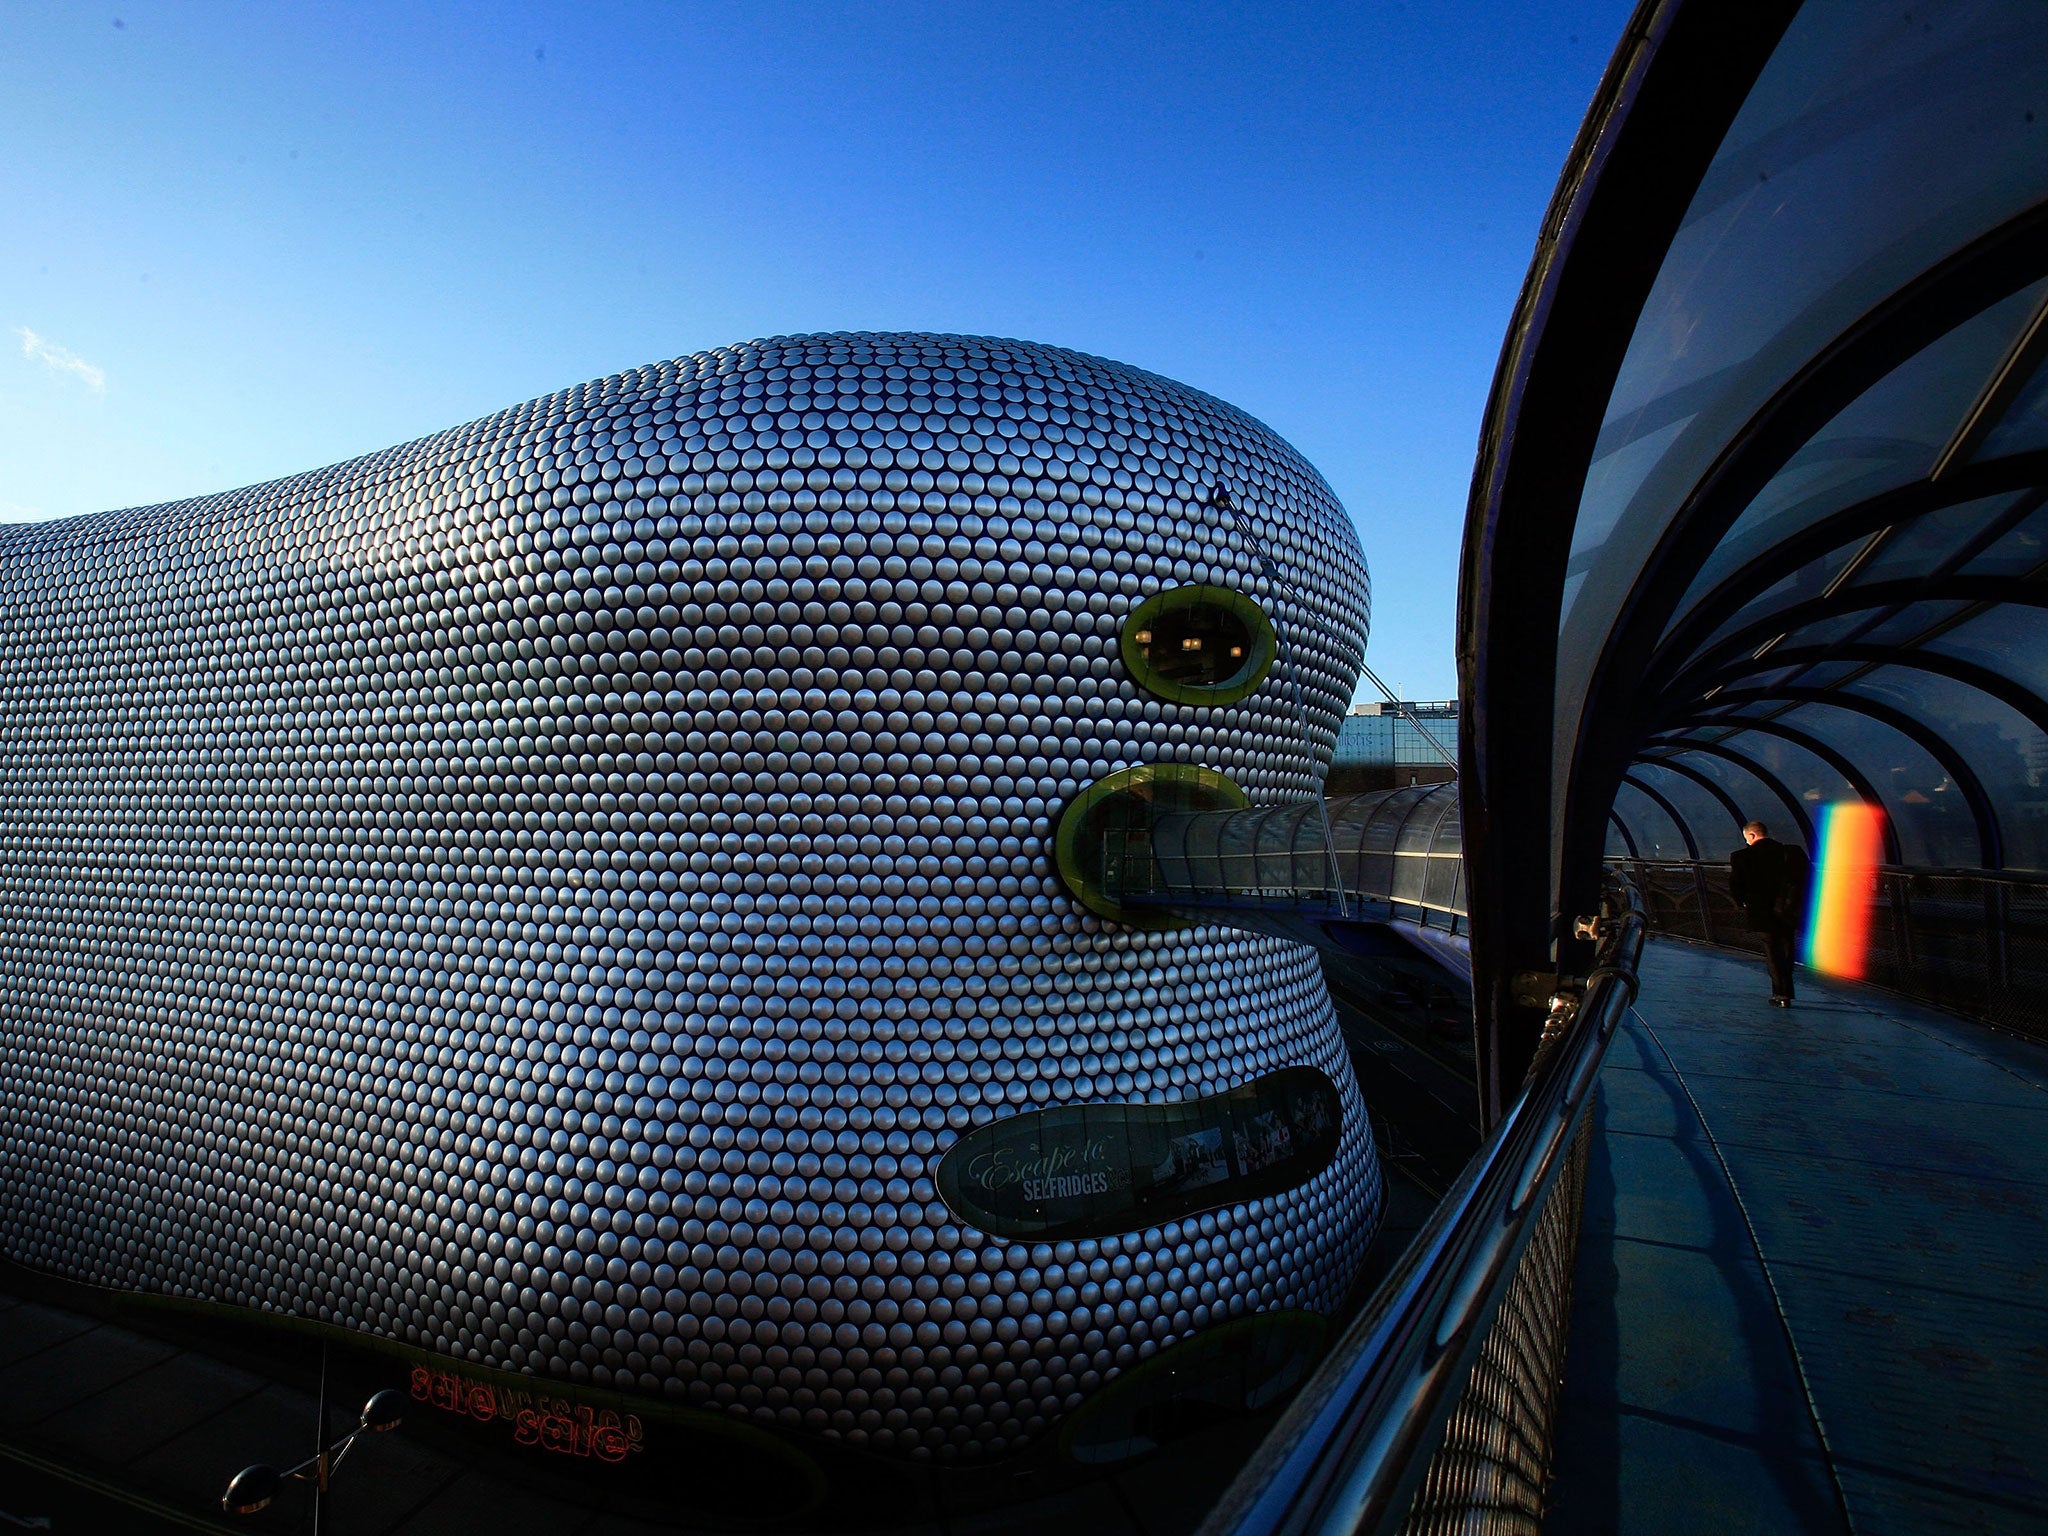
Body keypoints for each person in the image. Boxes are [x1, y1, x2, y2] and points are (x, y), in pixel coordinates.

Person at [1728, 820, 1812, 1006]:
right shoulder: (1789, 852)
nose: (1746, 842)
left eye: (1746, 839)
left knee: (1772, 952)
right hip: (1788, 910)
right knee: (1786, 949)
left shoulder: (1741, 857)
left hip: (1762, 913)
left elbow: (1736, 885)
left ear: (1751, 835)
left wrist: (1742, 902)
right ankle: (1785, 988)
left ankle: (1781, 994)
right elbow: (1805, 877)